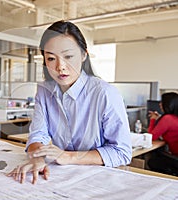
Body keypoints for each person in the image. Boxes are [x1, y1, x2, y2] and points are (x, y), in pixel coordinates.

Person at [7, 20, 132, 184]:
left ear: (83, 55)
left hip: (99, 179)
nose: (60, 67)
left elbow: (122, 152)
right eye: (51, 58)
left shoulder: (105, 93)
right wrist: (37, 157)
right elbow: (39, 134)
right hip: (62, 178)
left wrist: (67, 157)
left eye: (68, 56)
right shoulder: (44, 91)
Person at [147, 92, 178, 175]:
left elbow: (150, 137)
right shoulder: (173, 118)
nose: (160, 104)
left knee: (152, 161)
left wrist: (153, 119)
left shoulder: (168, 119)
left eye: (162, 102)